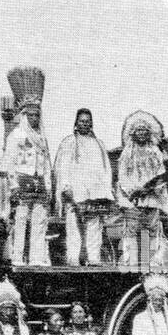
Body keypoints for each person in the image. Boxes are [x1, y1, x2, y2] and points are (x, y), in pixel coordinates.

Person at [54, 108, 114, 266]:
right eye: (82, 121)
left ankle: (93, 258)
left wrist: (107, 188)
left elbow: (106, 169)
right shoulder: (69, 142)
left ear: (91, 123)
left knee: (94, 226)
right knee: (73, 225)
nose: (85, 124)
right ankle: (73, 259)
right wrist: (66, 186)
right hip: (76, 192)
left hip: (95, 192)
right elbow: (63, 166)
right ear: (76, 123)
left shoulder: (99, 144)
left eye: (88, 121)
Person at [115, 111, 168, 268]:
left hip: (152, 199)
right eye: (138, 130)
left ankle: (155, 263)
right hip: (133, 200)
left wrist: (150, 188)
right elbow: (122, 176)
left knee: (154, 231)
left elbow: (161, 175)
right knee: (131, 231)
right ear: (133, 133)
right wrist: (133, 190)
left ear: (149, 133)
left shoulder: (155, 152)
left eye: (144, 130)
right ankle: (131, 262)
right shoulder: (127, 152)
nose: (141, 133)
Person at [3, 98, 53, 267]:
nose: (34, 119)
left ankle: (36, 257)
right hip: (22, 181)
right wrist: (14, 185)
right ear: (24, 116)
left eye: (37, 115)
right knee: (21, 220)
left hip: (38, 183)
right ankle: (17, 256)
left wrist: (48, 186)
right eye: (31, 115)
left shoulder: (42, 138)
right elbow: (9, 162)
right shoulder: (16, 135)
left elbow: (46, 164)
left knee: (39, 221)